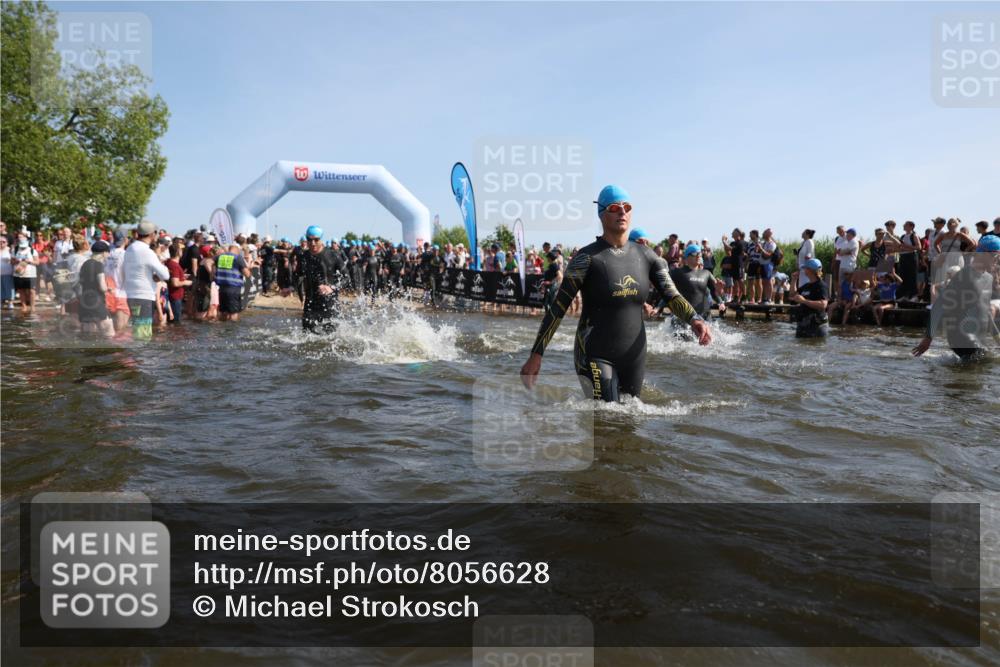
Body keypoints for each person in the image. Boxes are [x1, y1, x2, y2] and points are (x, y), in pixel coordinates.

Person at [520, 185, 710, 402]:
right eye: (614, 207)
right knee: (607, 420)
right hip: (594, 353)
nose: (622, 212)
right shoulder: (586, 258)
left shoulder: (647, 256)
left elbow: (672, 295)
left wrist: (694, 319)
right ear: (602, 214)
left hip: (634, 356)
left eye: (626, 207)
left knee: (629, 423)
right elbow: (557, 308)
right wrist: (536, 354)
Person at [913, 235, 1000, 360]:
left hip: (976, 335)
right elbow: (939, 305)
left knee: (982, 365)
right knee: (984, 362)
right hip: (960, 335)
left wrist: (997, 338)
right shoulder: (964, 275)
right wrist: (928, 338)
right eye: (996, 256)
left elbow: (985, 311)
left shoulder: (988, 278)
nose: (997, 261)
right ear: (984, 254)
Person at [286, 225, 346, 333]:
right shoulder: (304, 256)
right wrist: (291, 287)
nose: (312, 243)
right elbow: (298, 275)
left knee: (330, 339)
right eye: (309, 239)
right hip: (310, 303)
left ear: (321, 239)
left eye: (316, 240)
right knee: (306, 336)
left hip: (329, 303)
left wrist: (332, 287)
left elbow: (347, 278)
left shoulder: (333, 255)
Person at [123, 221, 170, 340]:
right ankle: (143, 358)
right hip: (144, 297)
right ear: (152, 234)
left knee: (136, 331)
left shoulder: (130, 248)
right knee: (143, 335)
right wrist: (158, 257)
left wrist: (152, 275)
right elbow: (165, 275)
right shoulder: (147, 252)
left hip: (130, 295)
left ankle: (136, 357)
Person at [661, 244, 725, 321]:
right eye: (695, 254)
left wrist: (720, 301)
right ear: (687, 257)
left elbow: (714, 292)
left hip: (703, 315)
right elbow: (666, 291)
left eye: (700, 254)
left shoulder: (706, 273)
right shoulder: (677, 272)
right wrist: (658, 307)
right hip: (684, 315)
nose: (698, 256)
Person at [77, 240, 114, 338]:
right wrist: (108, 289)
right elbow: (102, 287)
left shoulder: (85, 264)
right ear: (104, 253)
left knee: (88, 337)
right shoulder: (98, 265)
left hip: (84, 304)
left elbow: (80, 282)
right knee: (109, 334)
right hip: (96, 303)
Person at [790, 258, 829, 337]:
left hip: (817, 325)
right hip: (804, 323)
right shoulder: (807, 285)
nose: (804, 270)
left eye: (805, 268)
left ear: (810, 270)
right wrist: (794, 280)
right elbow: (792, 295)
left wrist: (804, 301)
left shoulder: (821, 286)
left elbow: (823, 304)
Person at [214, 243, 250, 322]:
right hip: (233, 289)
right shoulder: (237, 258)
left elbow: (213, 273)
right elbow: (247, 274)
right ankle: (233, 332)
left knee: (223, 312)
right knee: (233, 313)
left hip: (222, 288)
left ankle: (222, 332)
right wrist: (249, 263)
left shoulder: (218, 257)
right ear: (237, 250)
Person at [12, 233, 39, 315]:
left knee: (31, 291)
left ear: (27, 239)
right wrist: (16, 261)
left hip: (30, 274)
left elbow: (37, 262)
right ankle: (24, 306)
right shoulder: (15, 250)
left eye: (22, 237)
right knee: (21, 290)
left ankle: (33, 306)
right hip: (18, 274)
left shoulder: (32, 250)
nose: (20, 238)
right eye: (19, 237)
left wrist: (29, 261)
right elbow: (11, 261)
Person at [165, 244, 192, 324]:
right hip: (175, 297)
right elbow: (175, 283)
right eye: (181, 249)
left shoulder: (169, 262)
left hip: (171, 296)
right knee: (176, 323)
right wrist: (186, 282)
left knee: (171, 321)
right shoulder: (174, 265)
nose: (182, 251)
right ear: (178, 252)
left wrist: (182, 277)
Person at [0, 237, 13, 309]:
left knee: (8, 288)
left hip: (7, 272)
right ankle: (1, 302)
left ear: (7, 243)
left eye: (3, 242)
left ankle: (10, 302)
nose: (1, 243)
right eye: (0, 241)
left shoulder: (10, 250)